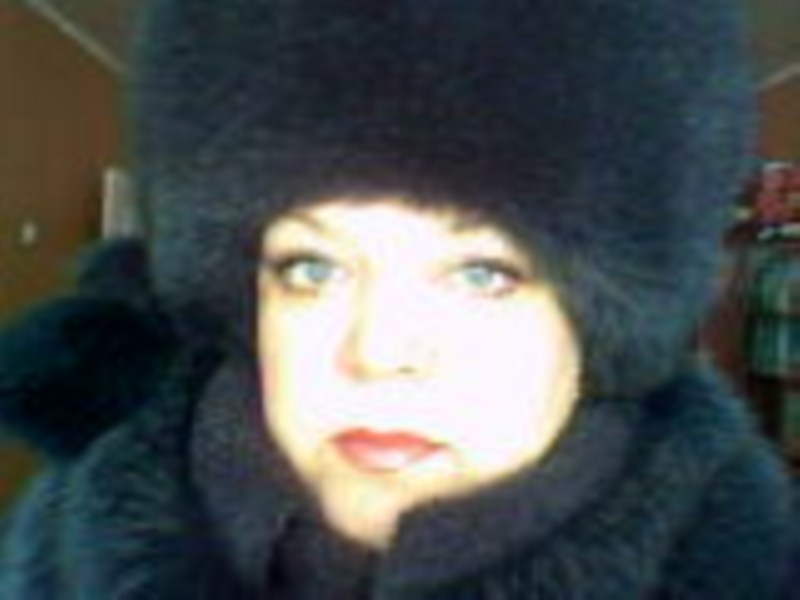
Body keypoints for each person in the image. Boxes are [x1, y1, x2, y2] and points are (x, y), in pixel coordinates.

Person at [0, 0, 796, 597]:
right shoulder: (67, 548)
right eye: (313, 268)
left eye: (483, 273)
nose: (379, 352)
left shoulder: (744, 569)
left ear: (600, 321)